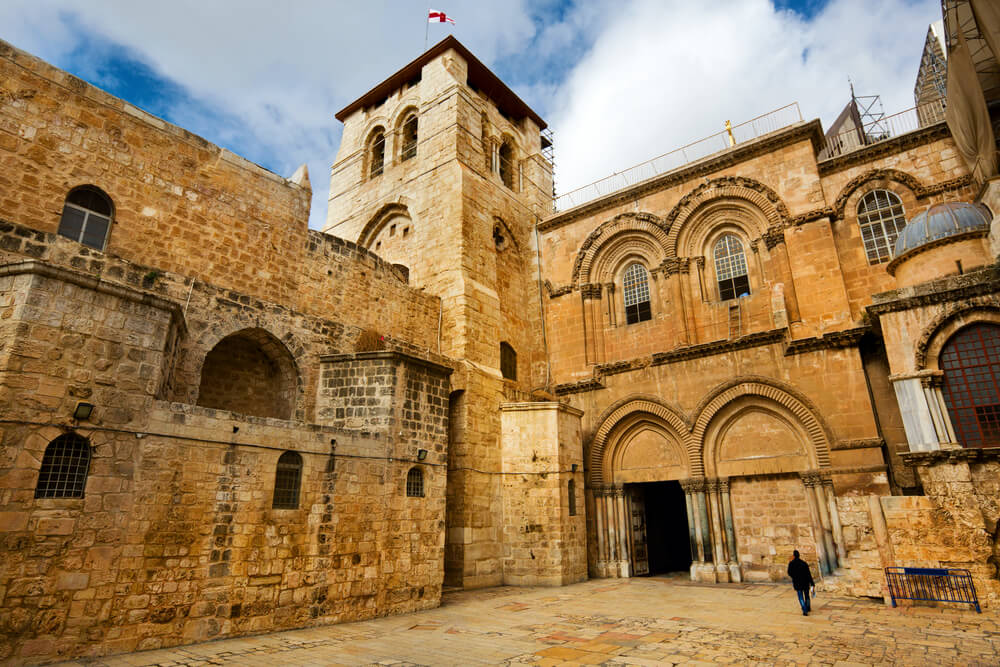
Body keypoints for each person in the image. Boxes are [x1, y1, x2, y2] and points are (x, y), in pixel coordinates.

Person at [787, 550, 815, 616]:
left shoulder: (791, 564)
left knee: (800, 597)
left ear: (794, 556)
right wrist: (812, 582)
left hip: (797, 582)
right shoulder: (804, 563)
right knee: (807, 596)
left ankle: (804, 609)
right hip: (805, 582)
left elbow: (789, 572)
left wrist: (794, 577)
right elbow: (808, 574)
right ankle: (808, 607)